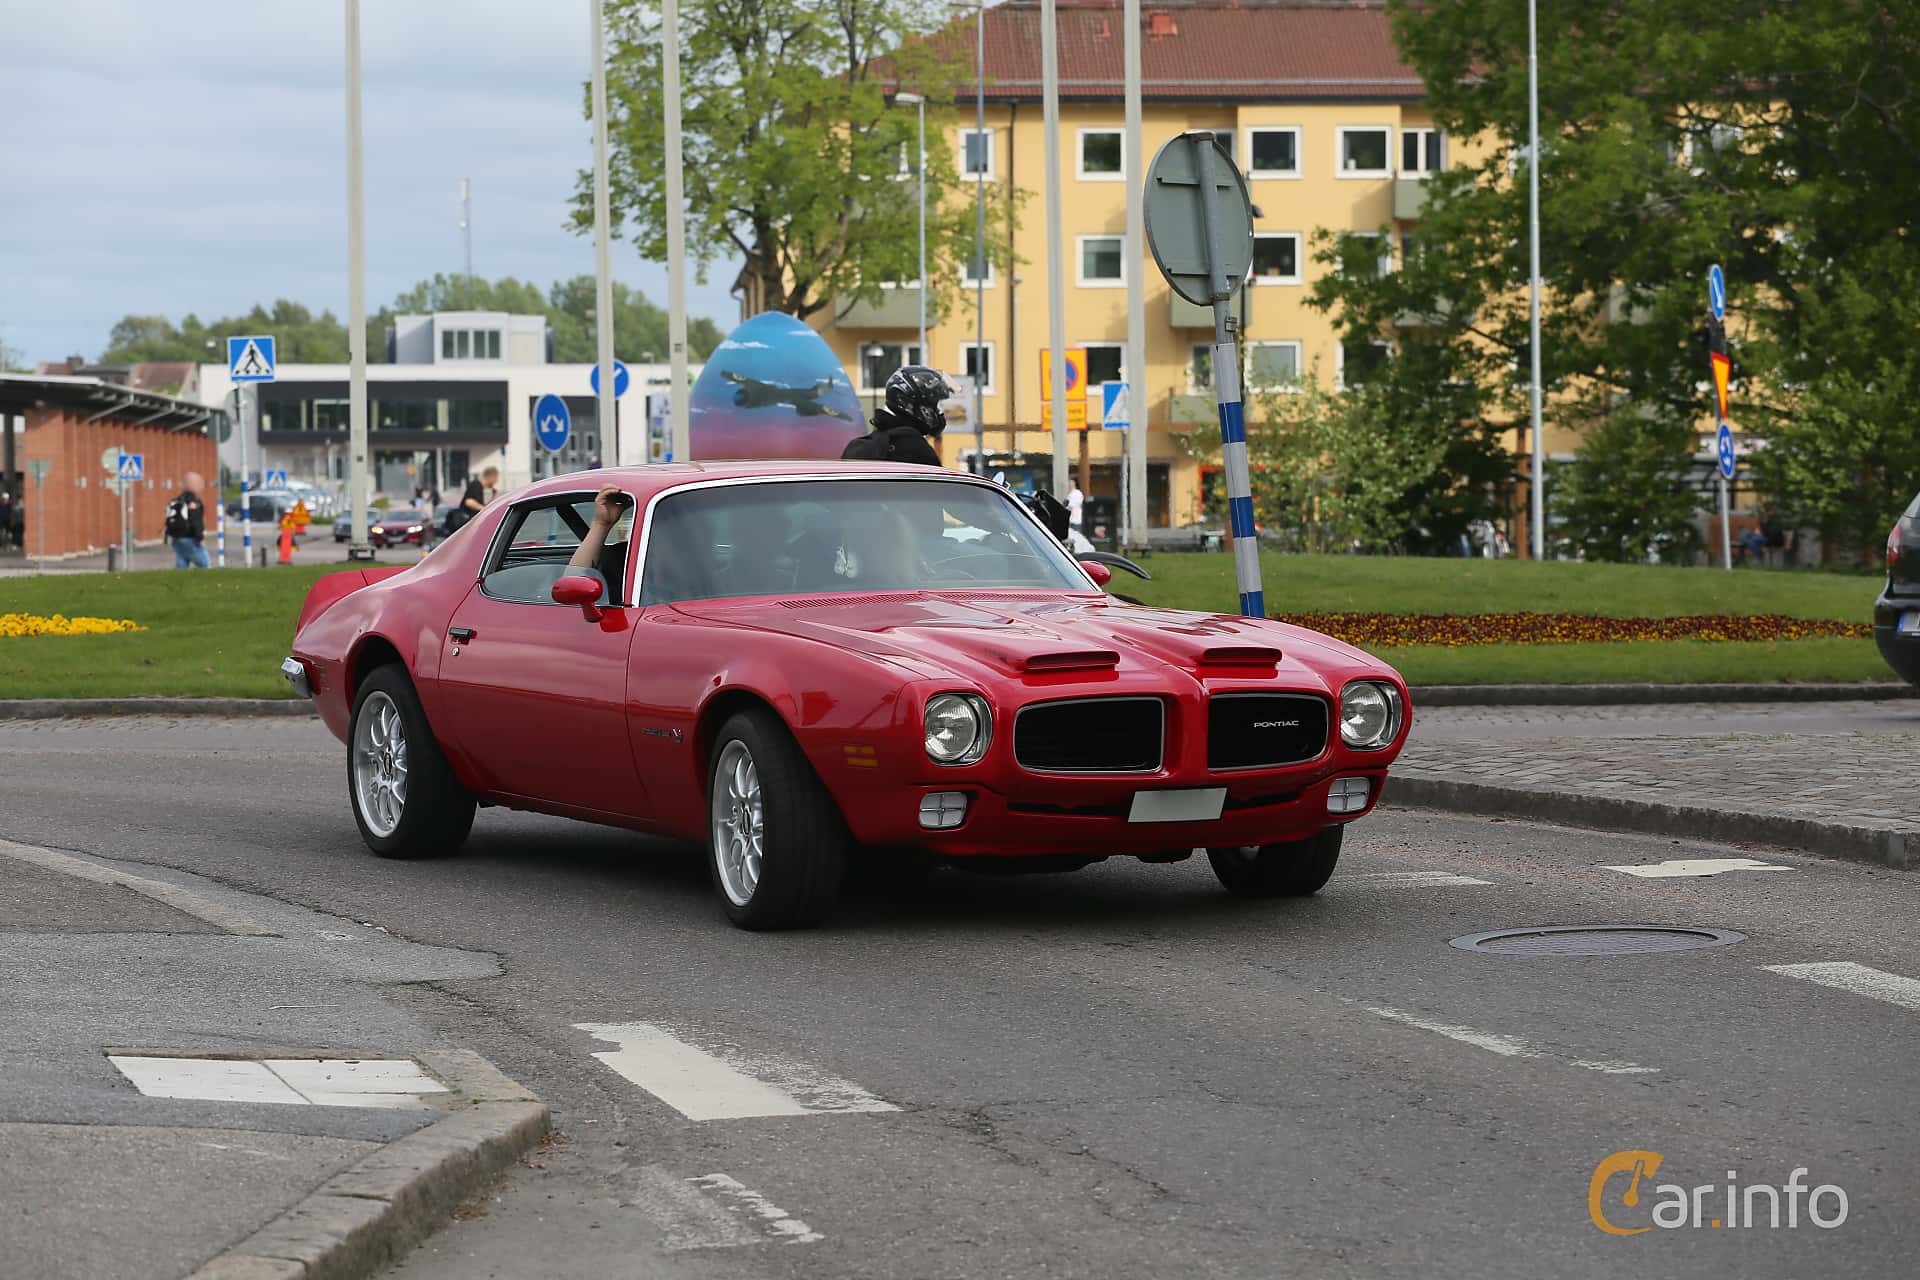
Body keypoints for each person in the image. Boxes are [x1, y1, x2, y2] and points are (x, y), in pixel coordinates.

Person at [841, 365, 948, 467]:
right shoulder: (915, 449)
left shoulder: (859, 446)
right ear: (910, 403)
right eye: (936, 404)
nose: (939, 411)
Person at [166, 472, 210, 569]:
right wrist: (200, 538)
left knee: (182, 564)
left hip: (177, 539)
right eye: (199, 483)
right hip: (191, 539)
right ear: (194, 484)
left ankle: (180, 582)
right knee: (205, 566)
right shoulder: (194, 502)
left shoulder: (176, 500)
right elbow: (196, 521)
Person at [447, 466, 499, 534]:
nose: (496, 482)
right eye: (496, 480)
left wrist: (493, 495)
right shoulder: (476, 484)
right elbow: (469, 502)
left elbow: (485, 507)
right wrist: (484, 510)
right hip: (466, 524)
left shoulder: (479, 487)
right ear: (492, 477)